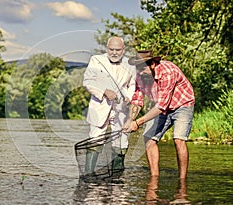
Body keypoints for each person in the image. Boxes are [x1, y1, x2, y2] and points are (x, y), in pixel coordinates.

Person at [123, 50, 195, 179]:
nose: (139, 71)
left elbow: (161, 106)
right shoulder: (140, 75)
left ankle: (182, 179)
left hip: (182, 104)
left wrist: (138, 122)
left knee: (178, 140)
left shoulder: (168, 72)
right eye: (137, 68)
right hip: (162, 107)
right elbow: (138, 99)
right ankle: (154, 177)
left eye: (142, 67)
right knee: (149, 138)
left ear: (152, 64)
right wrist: (130, 119)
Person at [82, 36, 136, 178]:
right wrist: (104, 91)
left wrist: (129, 97)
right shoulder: (96, 60)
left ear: (123, 50)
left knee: (121, 140)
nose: (114, 52)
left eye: (117, 50)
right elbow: (88, 81)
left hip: (121, 109)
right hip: (99, 106)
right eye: (111, 49)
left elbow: (132, 85)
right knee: (95, 138)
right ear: (106, 48)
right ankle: (88, 175)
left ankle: (116, 178)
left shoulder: (130, 65)